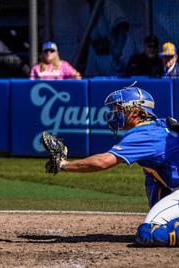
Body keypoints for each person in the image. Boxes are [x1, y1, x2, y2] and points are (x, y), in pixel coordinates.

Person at [42, 84, 179, 247]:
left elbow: (102, 162)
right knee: (153, 175)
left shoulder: (144, 133)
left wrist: (64, 164)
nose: (115, 112)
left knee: (150, 233)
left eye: (120, 108)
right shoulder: (162, 125)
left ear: (135, 111)